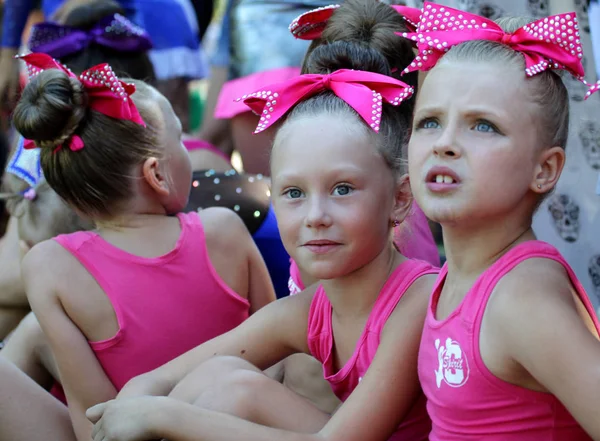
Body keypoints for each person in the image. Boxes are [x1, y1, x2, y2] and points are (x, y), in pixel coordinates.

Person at [86, 2, 439, 441]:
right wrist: (137, 399)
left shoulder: (419, 299)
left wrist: (162, 416)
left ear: (401, 199)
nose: (316, 217)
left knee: (232, 390)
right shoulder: (312, 309)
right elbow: (161, 378)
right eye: (293, 193)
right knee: (224, 377)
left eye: (342, 189)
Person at [0, 51, 275, 441]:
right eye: (179, 139)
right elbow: (280, 353)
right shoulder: (223, 230)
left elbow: (92, 418)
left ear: (73, 198)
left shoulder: (50, 265)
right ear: (156, 173)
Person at [403, 3, 600, 439]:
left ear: (544, 170)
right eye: (430, 121)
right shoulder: (453, 277)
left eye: (484, 126)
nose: (446, 144)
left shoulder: (521, 301)